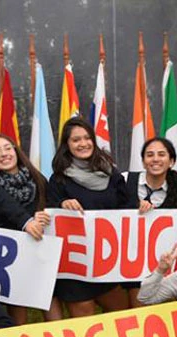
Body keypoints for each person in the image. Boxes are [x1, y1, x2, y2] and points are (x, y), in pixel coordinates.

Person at [49, 116, 130, 317]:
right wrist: (61, 205)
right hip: (77, 268)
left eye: (87, 138)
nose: (83, 143)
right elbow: (49, 217)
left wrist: (142, 207)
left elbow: (127, 207)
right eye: (76, 140)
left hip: (107, 262)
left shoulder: (112, 174)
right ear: (67, 145)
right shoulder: (58, 179)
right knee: (86, 328)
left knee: (123, 319)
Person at [0, 134, 63, 324]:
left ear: (16, 151)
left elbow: (52, 207)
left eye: (7, 148)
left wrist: (45, 216)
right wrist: (26, 223)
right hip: (12, 257)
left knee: (50, 302)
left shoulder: (37, 178)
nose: (4, 154)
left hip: (41, 251)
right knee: (17, 311)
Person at [123, 137, 177, 306]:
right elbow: (109, 210)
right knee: (138, 307)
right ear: (143, 161)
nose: (155, 159)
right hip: (130, 258)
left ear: (171, 161)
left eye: (161, 154)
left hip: (163, 260)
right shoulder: (125, 180)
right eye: (150, 155)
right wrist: (134, 207)